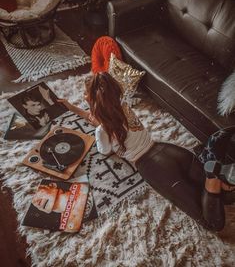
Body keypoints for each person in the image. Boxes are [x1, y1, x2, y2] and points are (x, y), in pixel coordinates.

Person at [60, 73, 235, 231]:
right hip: (169, 151)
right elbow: (102, 115)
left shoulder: (101, 130)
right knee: (225, 197)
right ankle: (212, 163)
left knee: (212, 224)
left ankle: (212, 174)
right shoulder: (123, 105)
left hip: (155, 168)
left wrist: (98, 128)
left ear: (93, 100)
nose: (83, 96)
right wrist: (73, 108)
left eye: (85, 94)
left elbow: (104, 151)